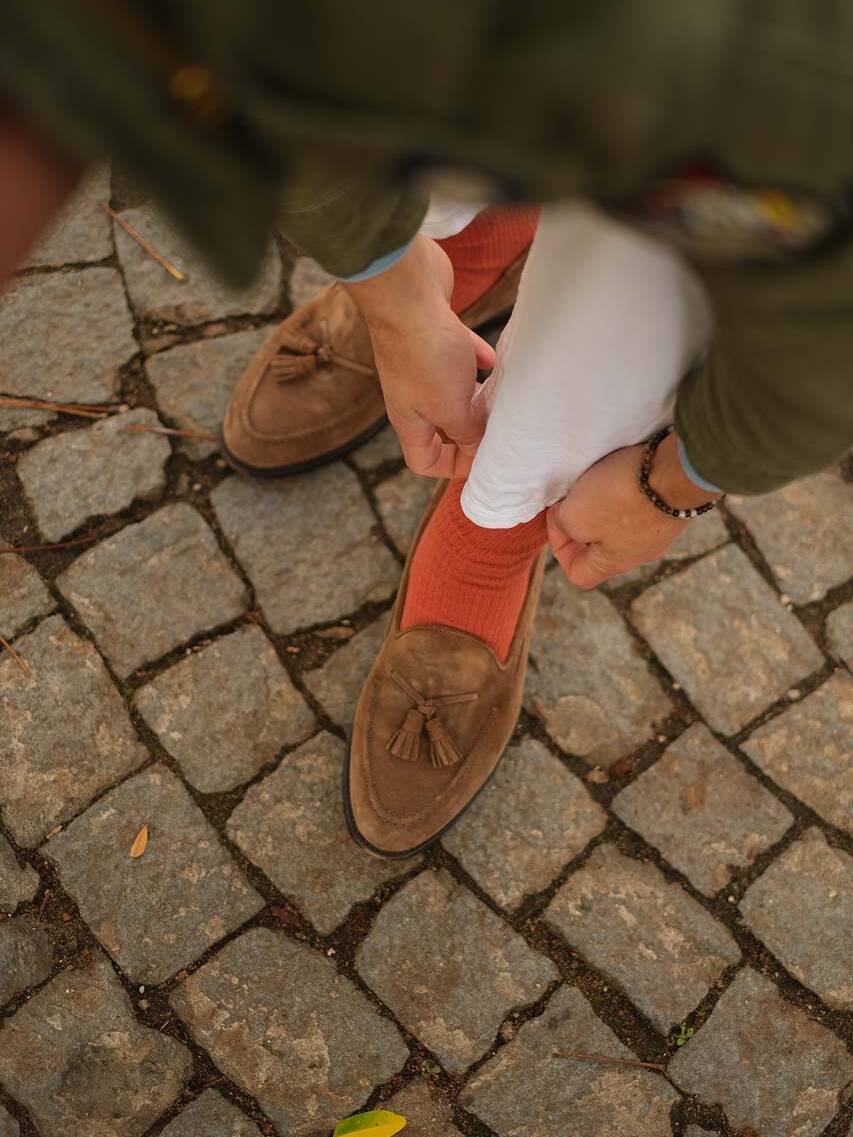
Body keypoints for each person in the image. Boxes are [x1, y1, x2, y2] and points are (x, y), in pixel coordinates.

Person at [1, 3, 851, 857]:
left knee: (638, 284)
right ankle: (479, 240)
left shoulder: (784, 90)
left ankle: (501, 514)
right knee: (408, 105)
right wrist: (394, 297)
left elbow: (825, 339)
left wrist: (674, 485)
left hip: (776, 136)